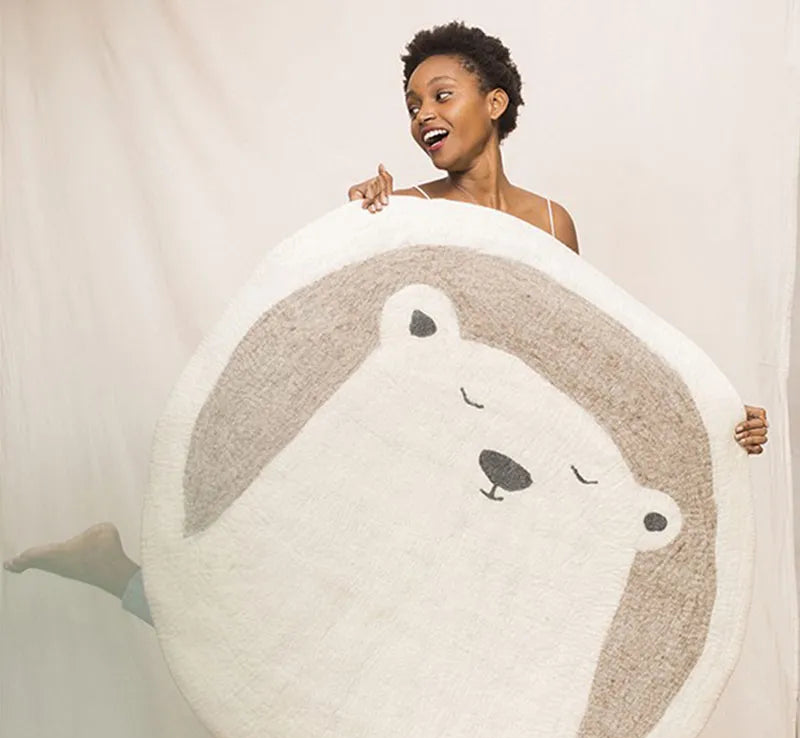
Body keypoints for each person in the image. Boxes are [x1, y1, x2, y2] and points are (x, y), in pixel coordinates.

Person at [3, 21, 769, 624]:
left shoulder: (551, 223)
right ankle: (121, 574)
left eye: (440, 94)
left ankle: (118, 574)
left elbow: (587, 360)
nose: (422, 114)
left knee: (457, 648)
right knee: (307, 634)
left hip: (505, 471)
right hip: (418, 455)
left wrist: (711, 422)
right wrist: (366, 223)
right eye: (411, 105)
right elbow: (346, 314)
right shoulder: (403, 213)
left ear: (494, 102)